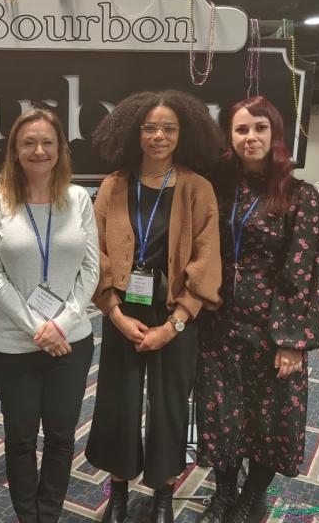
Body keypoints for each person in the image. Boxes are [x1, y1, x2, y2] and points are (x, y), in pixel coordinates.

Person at [85, 90, 224, 523]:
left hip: (174, 314)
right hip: (123, 312)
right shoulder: (114, 185)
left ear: (183, 134)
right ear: (134, 132)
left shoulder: (197, 188)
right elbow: (97, 253)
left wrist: (175, 324)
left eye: (168, 128)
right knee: (118, 403)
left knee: (169, 405)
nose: (158, 136)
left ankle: (163, 493)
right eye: (149, 127)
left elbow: (206, 259)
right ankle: (120, 489)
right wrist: (114, 313)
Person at [194, 96, 319, 523]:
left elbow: (304, 271)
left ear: (275, 134)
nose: (250, 137)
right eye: (241, 130)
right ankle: (224, 492)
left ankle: (252, 495)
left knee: (269, 421)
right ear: (229, 137)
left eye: (259, 129)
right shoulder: (217, 186)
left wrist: (292, 342)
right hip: (218, 324)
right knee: (222, 416)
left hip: (272, 331)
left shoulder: (298, 195)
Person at [0, 108, 100, 523]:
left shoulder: (79, 198)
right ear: (15, 149)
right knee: (20, 438)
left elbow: (91, 270)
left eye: (47, 141)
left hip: (71, 340)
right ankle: (26, 517)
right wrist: (38, 327)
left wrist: (61, 325)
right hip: (13, 344)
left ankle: (48, 515)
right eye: (28, 142)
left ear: (60, 148)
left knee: (63, 436)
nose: (39, 150)